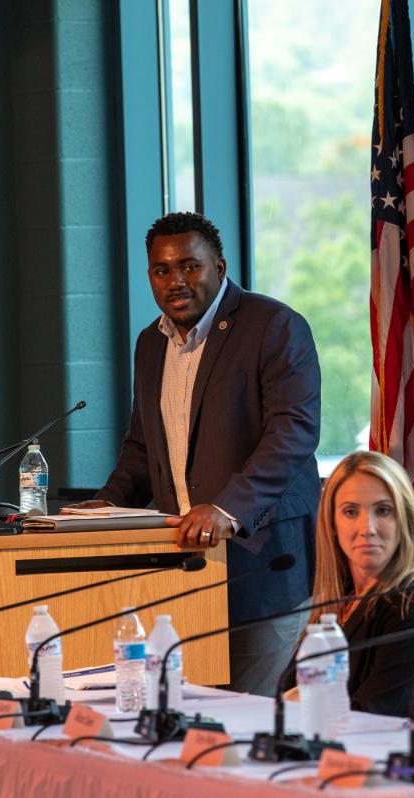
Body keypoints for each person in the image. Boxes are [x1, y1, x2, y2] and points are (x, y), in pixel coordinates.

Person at [82, 211, 321, 696]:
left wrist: (228, 508)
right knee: (194, 728)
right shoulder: (150, 343)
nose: (176, 281)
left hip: (262, 569)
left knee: (253, 724)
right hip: (183, 576)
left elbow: (293, 432)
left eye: (190, 266)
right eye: (162, 270)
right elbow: (142, 445)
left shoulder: (274, 325)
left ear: (220, 265)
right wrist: (105, 506)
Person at [283, 451, 414, 717]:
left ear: (404, 520)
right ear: (331, 523)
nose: (367, 528)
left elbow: (372, 717)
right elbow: (285, 694)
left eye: (383, 510)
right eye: (350, 512)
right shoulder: (338, 604)